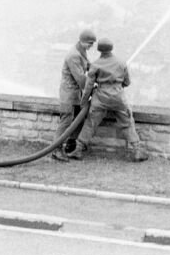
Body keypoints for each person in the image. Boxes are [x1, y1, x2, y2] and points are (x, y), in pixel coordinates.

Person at [67, 38, 149, 162]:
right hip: (118, 98)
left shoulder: (95, 65)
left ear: (99, 49)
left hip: (100, 99)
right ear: (111, 48)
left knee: (90, 123)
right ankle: (137, 150)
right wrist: (116, 86)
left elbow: (88, 87)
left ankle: (78, 149)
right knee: (127, 122)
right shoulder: (121, 62)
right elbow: (127, 82)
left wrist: (84, 102)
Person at [51, 29, 96, 162]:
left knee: (78, 119)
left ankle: (71, 146)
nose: (91, 46)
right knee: (66, 121)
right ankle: (56, 150)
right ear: (82, 41)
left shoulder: (82, 52)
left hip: (76, 95)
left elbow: (89, 66)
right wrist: (93, 88)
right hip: (68, 94)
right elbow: (81, 79)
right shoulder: (73, 55)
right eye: (90, 43)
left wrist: (101, 72)